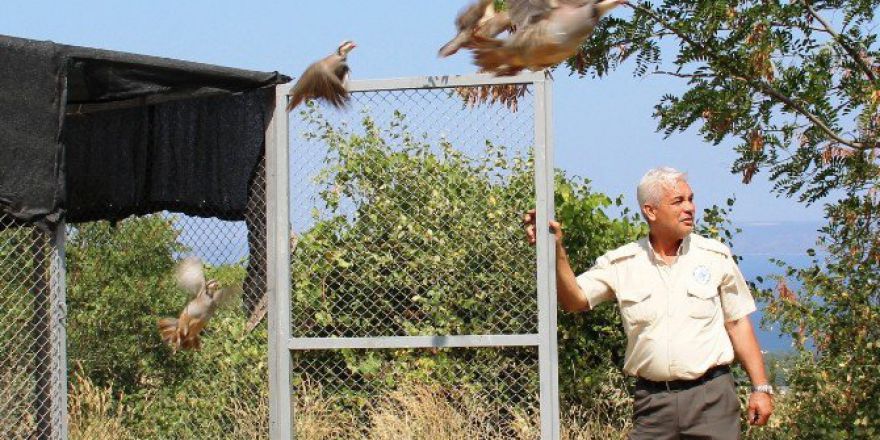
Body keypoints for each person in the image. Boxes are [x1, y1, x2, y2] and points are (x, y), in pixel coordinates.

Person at [524, 166, 773, 439]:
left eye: (690, 199)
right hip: (653, 404)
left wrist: (761, 388)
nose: (689, 208)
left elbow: (737, 324)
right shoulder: (622, 263)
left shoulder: (714, 256)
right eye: (678, 201)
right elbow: (575, 300)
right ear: (650, 211)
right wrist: (556, 250)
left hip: (712, 400)